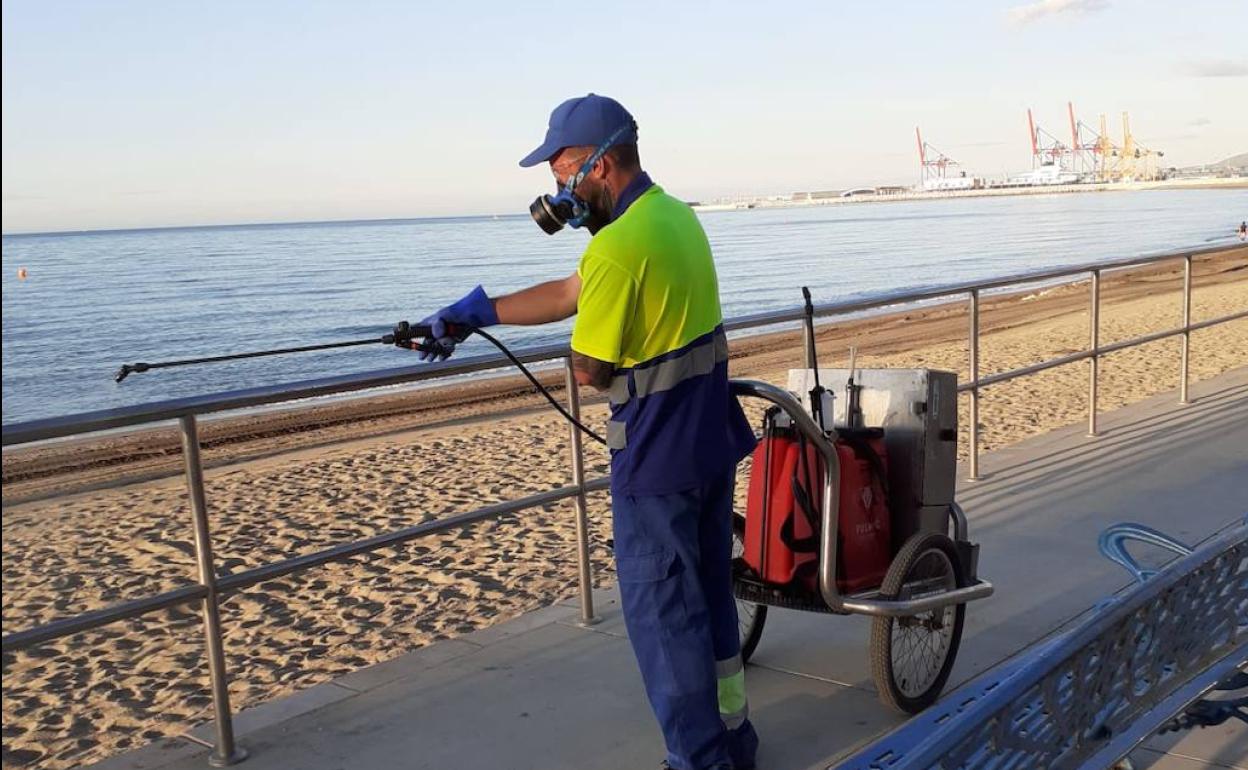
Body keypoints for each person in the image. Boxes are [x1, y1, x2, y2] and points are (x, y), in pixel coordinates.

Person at [414, 94, 760, 770]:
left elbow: (591, 371)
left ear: (599, 166)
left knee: (667, 620)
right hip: (707, 443)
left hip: (657, 462)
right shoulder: (673, 218)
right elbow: (575, 290)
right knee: (712, 601)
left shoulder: (618, 248)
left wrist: (579, 345)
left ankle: (699, 761)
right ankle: (733, 742)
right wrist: (480, 311)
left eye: (560, 172)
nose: (556, 191)